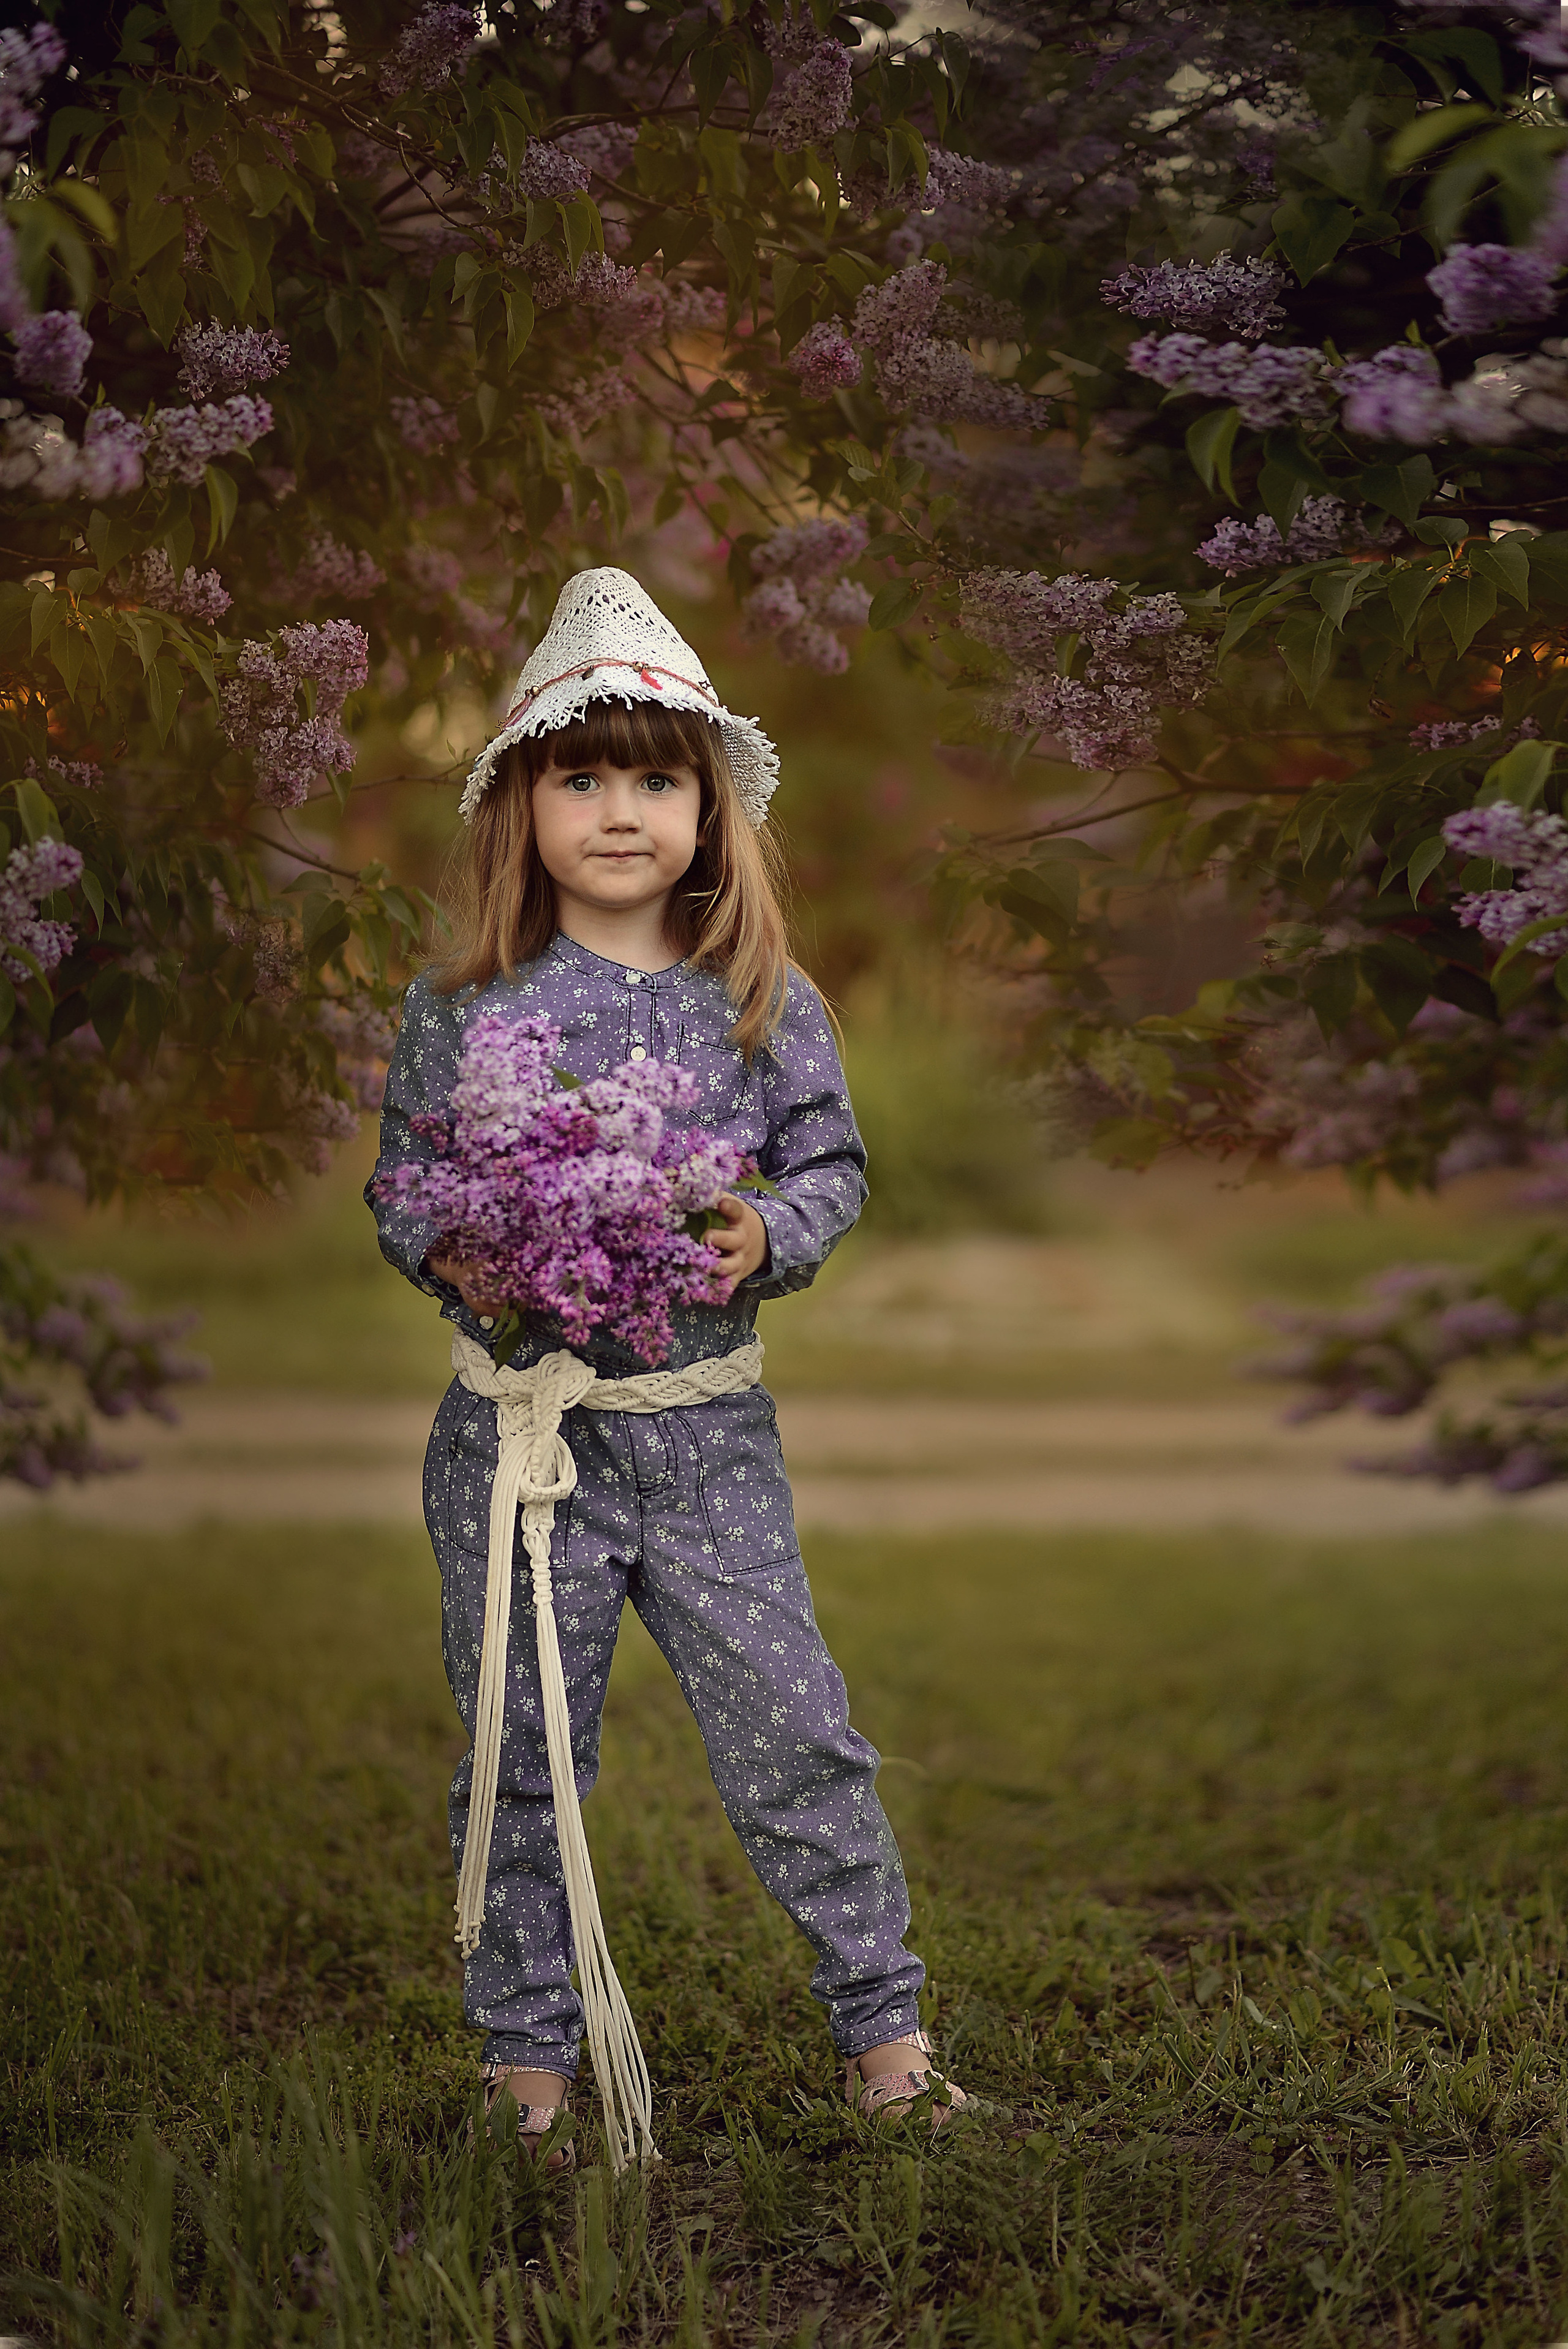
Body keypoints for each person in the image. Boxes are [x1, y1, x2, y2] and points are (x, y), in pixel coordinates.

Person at [368, 566, 965, 2168]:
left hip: (702, 1432)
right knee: (520, 1751)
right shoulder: (462, 1004)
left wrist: (765, 1230)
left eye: (656, 776)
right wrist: (462, 1247)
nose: (621, 809)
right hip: (520, 1441)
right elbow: (407, 1182)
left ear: (711, 806)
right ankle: (527, 2057)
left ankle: (886, 2029)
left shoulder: (759, 1001)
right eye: (584, 775)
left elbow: (832, 1166)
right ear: (522, 802)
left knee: (794, 1726)